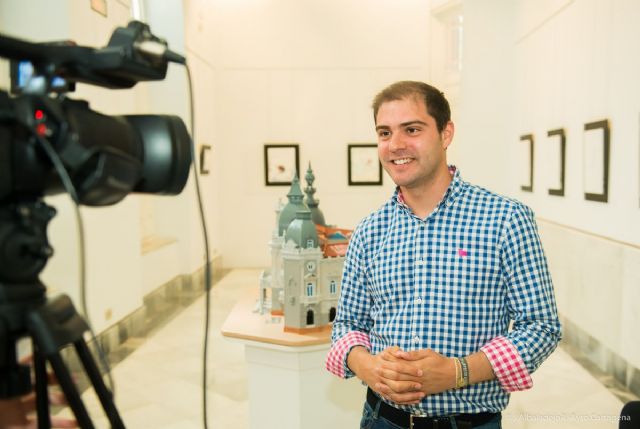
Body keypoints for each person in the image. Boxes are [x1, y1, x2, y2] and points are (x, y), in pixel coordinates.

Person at [326, 81, 562, 429]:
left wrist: (457, 372)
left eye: (412, 129)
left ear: (445, 133)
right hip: (381, 419)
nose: (396, 145)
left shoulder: (505, 219)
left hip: (468, 423)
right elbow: (347, 325)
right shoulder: (368, 231)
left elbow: (541, 327)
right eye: (385, 132)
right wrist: (367, 366)